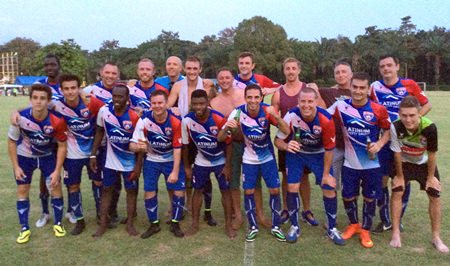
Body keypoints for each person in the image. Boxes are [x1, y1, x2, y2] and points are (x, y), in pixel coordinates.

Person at [218, 84, 290, 242]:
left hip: (267, 158)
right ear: (245, 98)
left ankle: (276, 226)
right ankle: (253, 226)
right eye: (249, 97)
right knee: (249, 191)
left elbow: (287, 131)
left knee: (274, 190)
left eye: (256, 97)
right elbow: (220, 138)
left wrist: (276, 116)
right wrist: (227, 129)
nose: (253, 100)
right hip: (249, 159)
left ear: (261, 98)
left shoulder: (267, 110)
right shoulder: (237, 112)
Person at [327, 72, 391, 248]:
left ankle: (365, 229)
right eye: (355, 87)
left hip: (372, 164)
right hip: (350, 163)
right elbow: (323, 117)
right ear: (350, 87)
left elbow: (388, 130)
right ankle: (353, 224)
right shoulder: (340, 106)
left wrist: (379, 144)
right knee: (348, 195)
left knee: (370, 198)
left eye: (362, 88)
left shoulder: (378, 109)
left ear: (368, 89)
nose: (358, 91)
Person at [369, 55, 431, 233]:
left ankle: (398, 218)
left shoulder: (409, 84)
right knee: (382, 179)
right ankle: (386, 219)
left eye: (389, 65)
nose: (386, 69)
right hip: (384, 139)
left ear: (397, 66)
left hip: (405, 141)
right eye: (382, 66)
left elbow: (427, 105)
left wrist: (410, 122)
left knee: (403, 178)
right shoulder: (375, 87)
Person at [274, 87, 344, 245]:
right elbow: (277, 141)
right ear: (298, 102)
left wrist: (326, 174)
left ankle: (332, 228)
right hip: (297, 154)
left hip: (319, 154)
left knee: (328, 187)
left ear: (316, 102)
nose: (306, 105)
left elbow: (329, 149)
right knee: (292, 187)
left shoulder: (325, 118)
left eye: (310, 101)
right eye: (303, 101)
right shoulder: (291, 115)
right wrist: (286, 146)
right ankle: (294, 226)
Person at [8, 84, 68, 244]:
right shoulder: (19, 118)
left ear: (48, 101)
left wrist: (57, 170)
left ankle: (58, 223)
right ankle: (24, 228)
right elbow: (12, 142)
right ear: (30, 100)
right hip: (25, 157)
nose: (38, 101)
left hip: (48, 156)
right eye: (35, 98)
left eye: (42, 98)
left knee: (55, 186)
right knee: (22, 188)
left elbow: (62, 146)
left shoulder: (57, 120)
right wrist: (16, 166)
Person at [389, 96, 448, 253]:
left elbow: (432, 153)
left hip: (424, 164)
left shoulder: (430, 128)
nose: (408, 119)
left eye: (412, 115)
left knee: (435, 196)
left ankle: (436, 237)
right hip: (405, 164)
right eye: (404, 115)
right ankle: (395, 233)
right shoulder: (395, 126)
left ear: (419, 114)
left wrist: (430, 177)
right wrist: (400, 176)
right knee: (397, 192)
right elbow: (397, 152)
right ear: (400, 115)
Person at [272, 57, 322, 227]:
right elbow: (275, 118)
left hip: (307, 142)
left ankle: (307, 210)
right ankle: (287, 209)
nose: (291, 71)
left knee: (304, 178)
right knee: (287, 176)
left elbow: (320, 110)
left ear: (299, 70)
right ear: (284, 71)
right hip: (287, 141)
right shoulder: (279, 93)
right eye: (288, 68)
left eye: (294, 68)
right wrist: (284, 130)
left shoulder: (307, 89)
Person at [52, 74, 104, 235]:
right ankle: (80, 220)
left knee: (98, 183)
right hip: (71, 155)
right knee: (73, 186)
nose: (70, 92)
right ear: (61, 90)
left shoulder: (91, 102)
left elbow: (109, 110)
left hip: (92, 153)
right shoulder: (56, 105)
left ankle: (101, 216)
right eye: (66, 89)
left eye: (73, 88)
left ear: (79, 88)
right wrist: (16, 113)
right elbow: (35, 108)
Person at [130, 90, 186, 238]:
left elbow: (177, 147)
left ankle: (175, 223)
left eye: (160, 103)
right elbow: (132, 144)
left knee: (178, 191)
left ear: (166, 103)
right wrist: (138, 147)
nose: (157, 106)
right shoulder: (144, 120)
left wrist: (175, 171)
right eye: (154, 103)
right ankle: (153, 224)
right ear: (150, 104)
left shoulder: (175, 121)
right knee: (149, 191)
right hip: (152, 160)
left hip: (170, 159)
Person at [167, 56, 216, 226]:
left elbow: (213, 107)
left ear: (200, 69)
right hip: (184, 134)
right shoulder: (178, 86)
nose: (192, 72)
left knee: (205, 174)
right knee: (185, 171)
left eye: (195, 69)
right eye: (189, 69)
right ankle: (185, 205)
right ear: (184, 70)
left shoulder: (208, 85)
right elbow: (167, 107)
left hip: (203, 135)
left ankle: (208, 211)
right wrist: (172, 109)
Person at [182, 90, 235, 238]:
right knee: (197, 190)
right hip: (201, 160)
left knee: (225, 191)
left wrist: (227, 166)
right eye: (195, 104)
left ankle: (228, 226)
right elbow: (185, 145)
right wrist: (187, 167)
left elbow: (229, 144)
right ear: (191, 105)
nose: (198, 107)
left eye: (201, 103)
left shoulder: (218, 119)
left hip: (220, 160)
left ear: (207, 103)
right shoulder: (187, 120)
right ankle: (194, 224)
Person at [91, 85, 141, 237]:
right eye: (115, 96)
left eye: (121, 97)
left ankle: (130, 224)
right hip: (110, 160)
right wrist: (93, 155)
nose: (117, 99)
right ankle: (103, 224)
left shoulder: (134, 117)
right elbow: (99, 132)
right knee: (107, 190)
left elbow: (140, 144)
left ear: (127, 99)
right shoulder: (104, 112)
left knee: (131, 191)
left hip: (129, 162)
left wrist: (138, 167)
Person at [84, 62, 122, 224]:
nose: (110, 76)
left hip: (116, 144)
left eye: (114, 73)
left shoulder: (121, 91)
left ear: (117, 75)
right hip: (97, 142)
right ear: (101, 73)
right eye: (107, 72)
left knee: (116, 181)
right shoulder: (90, 91)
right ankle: (102, 214)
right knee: (98, 180)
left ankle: (112, 211)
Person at [210, 68, 246, 230]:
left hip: (251, 143)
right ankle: (237, 214)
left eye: (227, 77)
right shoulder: (215, 102)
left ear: (233, 78)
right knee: (233, 180)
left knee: (254, 180)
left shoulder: (243, 93)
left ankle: (258, 213)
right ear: (218, 81)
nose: (224, 80)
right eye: (221, 78)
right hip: (231, 145)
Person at [319, 60, 352, 194]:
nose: (340, 75)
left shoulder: (360, 92)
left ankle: (352, 213)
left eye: (344, 71)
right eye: (337, 72)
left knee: (351, 187)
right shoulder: (328, 92)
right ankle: (331, 213)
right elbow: (311, 88)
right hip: (335, 146)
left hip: (353, 148)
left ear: (351, 74)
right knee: (330, 184)